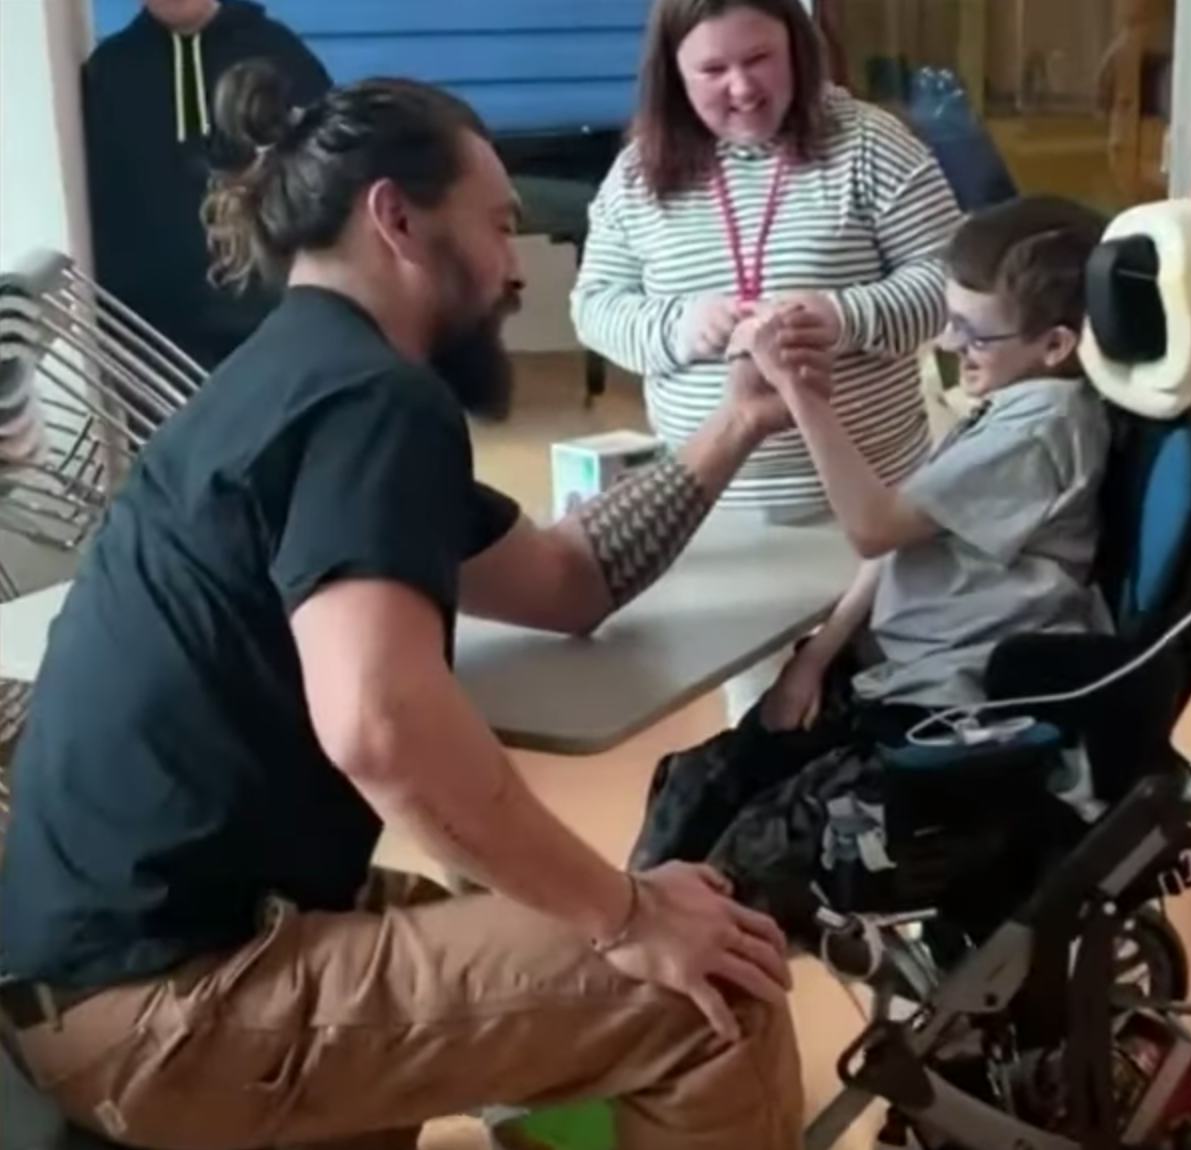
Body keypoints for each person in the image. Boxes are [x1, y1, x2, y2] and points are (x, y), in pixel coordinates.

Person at [0, 67, 837, 1150]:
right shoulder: (372, 403)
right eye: (496, 226)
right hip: (170, 1002)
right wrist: (626, 915)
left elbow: (563, 578)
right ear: (395, 216)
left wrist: (735, 422)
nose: (513, 270)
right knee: (709, 994)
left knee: (572, 921)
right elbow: (380, 725)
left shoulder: (285, 380)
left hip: (112, 962)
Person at [629, 197, 1115, 934]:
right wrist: (813, 658)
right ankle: (622, 955)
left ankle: (666, 978)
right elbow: (900, 537)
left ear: (1054, 345)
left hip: (953, 710)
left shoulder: (1045, 428)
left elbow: (871, 525)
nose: (954, 344)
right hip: (891, 674)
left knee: (741, 870)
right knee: (695, 785)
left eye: (974, 331)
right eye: (951, 320)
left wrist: (797, 390)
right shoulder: (1007, 406)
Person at [571, 0, 962, 718]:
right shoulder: (638, 173)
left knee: (891, 704)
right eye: (713, 70)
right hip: (722, 519)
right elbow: (594, 305)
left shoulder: (874, 145)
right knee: (762, 725)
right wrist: (679, 327)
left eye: (760, 61)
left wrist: (843, 316)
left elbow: (951, 286)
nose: (743, 89)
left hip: (873, 514)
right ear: (673, 76)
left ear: (799, 51)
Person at [82, 0, 330, 371]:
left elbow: (324, 176)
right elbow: (100, 202)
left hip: (269, 324)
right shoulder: (110, 71)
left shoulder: (278, 55)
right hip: (153, 339)